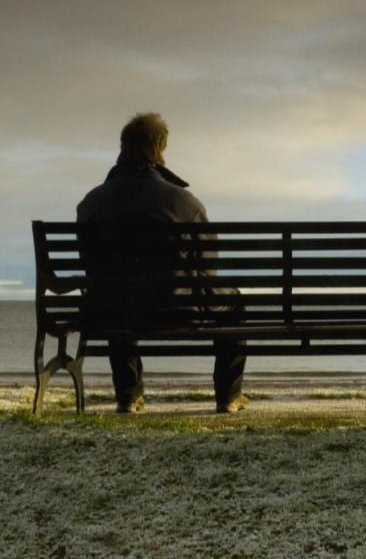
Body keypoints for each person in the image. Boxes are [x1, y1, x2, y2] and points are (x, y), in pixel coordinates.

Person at [77, 112, 246, 413]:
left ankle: (128, 396)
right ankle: (228, 396)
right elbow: (208, 273)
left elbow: (91, 268)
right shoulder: (185, 203)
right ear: (160, 149)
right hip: (176, 308)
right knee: (234, 303)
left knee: (116, 295)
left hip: (112, 309)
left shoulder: (91, 203)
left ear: (123, 147)